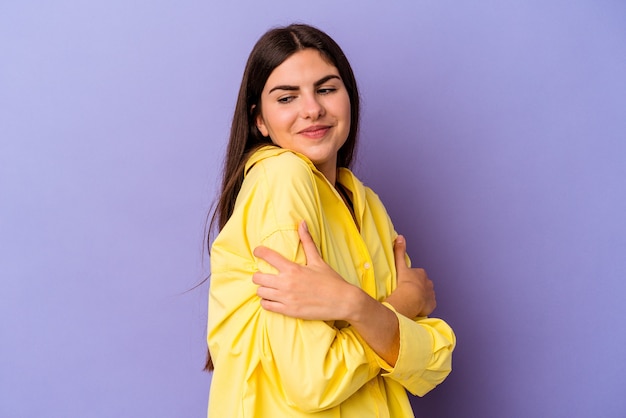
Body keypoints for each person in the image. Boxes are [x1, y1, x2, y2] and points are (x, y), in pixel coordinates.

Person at [206, 23, 455, 417]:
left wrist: (363, 310)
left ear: (349, 98)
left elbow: (435, 361)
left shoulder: (365, 202)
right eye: (287, 97)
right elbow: (312, 380)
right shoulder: (281, 178)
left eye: (326, 89)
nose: (312, 109)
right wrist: (386, 306)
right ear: (260, 121)